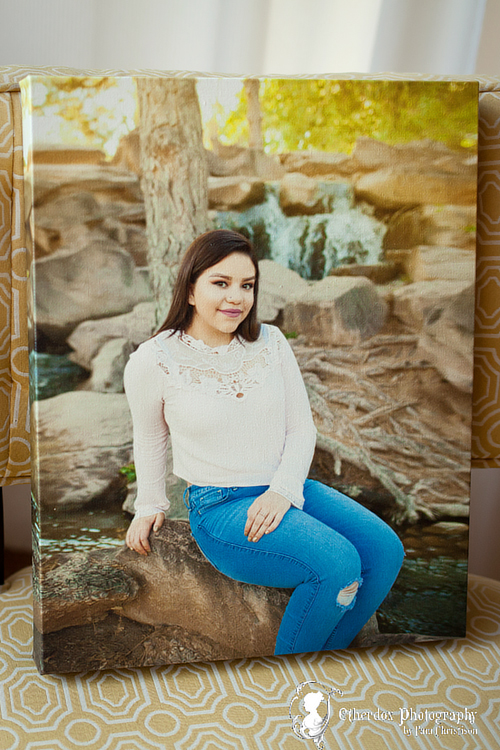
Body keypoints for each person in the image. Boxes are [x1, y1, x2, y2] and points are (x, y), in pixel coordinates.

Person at [124, 228, 404, 655]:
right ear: (191, 289)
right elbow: (148, 437)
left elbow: (301, 428)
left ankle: (329, 661)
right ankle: (289, 682)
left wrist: (284, 489)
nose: (236, 297)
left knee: (384, 550)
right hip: (221, 507)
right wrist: (149, 506)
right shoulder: (153, 359)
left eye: (247, 285)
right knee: (338, 565)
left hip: (289, 489)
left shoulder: (271, 343)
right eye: (221, 283)